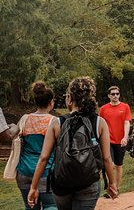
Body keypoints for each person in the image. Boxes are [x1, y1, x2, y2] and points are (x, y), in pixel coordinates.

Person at [28, 76, 119, 209]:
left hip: (62, 183)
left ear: (69, 98)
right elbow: (106, 158)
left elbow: (43, 158)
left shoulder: (57, 123)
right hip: (89, 182)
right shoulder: (99, 122)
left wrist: (34, 187)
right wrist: (112, 183)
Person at [16, 82, 58, 210]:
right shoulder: (54, 121)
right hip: (45, 172)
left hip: (23, 171)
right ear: (51, 102)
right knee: (50, 206)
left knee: (29, 206)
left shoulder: (25, 118)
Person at [99, 86, 131, 194]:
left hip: (120, 140)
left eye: (117, 94)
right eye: (113, 94)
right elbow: (101, 124)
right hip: (107, 140)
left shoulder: (125, 107)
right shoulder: (103, 109)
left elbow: (127, 122)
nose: (115, 96)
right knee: (110, 164)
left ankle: (117, 188)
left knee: (118, 165)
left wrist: (125, 137)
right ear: (109, 95)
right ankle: (110, 188)